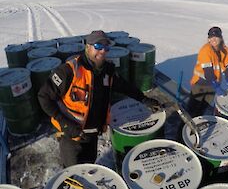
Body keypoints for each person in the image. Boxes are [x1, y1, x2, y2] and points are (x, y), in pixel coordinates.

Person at [38, 30, 160, 167]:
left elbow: (124, 86)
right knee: (73, 172)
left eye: (106, 48)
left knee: (90, 165)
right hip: (71, 136)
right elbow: (44, 97)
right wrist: (66, 124)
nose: (102, 51)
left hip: (93, 134)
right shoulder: (69, 71)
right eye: (98, 46)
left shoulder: (107, 71)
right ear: (87, 47)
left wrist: (143, 99)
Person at [186, 26, 228, 117]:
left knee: (203, 108)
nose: (213, 39)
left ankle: (197, 125)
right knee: (192, 109)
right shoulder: (205, 50)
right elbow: (208, 72)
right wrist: (216, 86)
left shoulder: (224, 49)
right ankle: (183, 129)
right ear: (208, 39)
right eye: (211, 37)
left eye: (216, 37)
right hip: (200, 84)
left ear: (221, 38)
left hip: (213, 85)